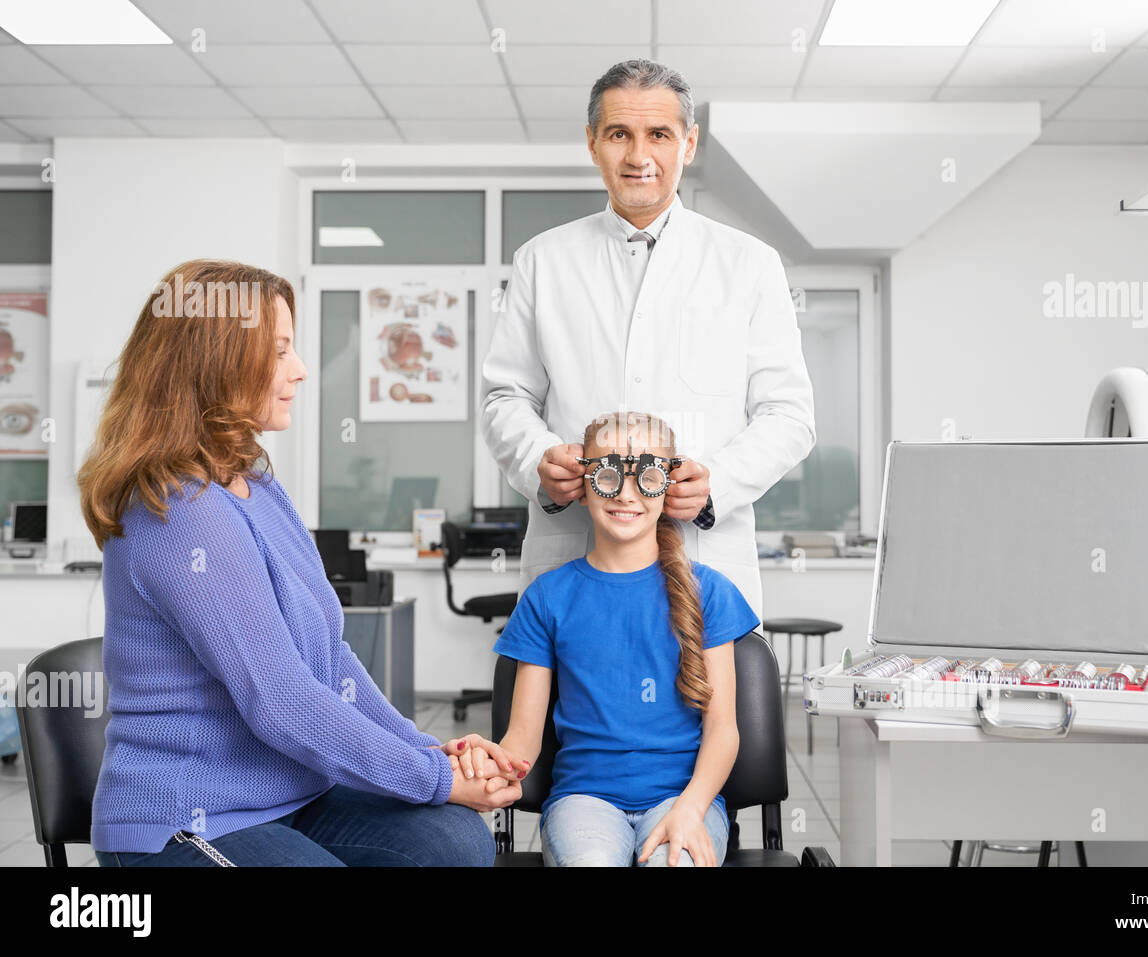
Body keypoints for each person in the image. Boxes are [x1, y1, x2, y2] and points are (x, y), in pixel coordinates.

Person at [80, 259, 522, 866]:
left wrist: (427, 755)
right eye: (280, 350)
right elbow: (283, 701)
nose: (301, 369)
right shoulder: (178, 510)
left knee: (453, 842)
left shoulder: (255, 484)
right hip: (187, 815)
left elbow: (329, 661)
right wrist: (435, 779)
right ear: (217, 362)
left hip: (292, 791)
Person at [481, 58, 816, 620]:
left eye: (659, 134)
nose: (639, 156)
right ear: (593, 144)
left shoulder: (749, 264)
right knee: (563, 678)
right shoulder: (542, 261)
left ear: (689, 144)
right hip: (573, 558)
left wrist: (716, 484)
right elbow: (504, 397)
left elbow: (789, 415)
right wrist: (539, 459)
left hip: (702, 561)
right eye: (619, 134)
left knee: (709, 679)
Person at [493, 410, 760, 866]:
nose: (626, 494)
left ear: (668, 487)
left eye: (648, 478)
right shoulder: (547, 597)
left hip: (685, 798)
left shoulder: (710, 593)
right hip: (584, 800)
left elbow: (722, 730)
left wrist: (691, 809)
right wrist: (482, 767)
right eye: (608, 475)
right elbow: (521, 739)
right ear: (582, 485)